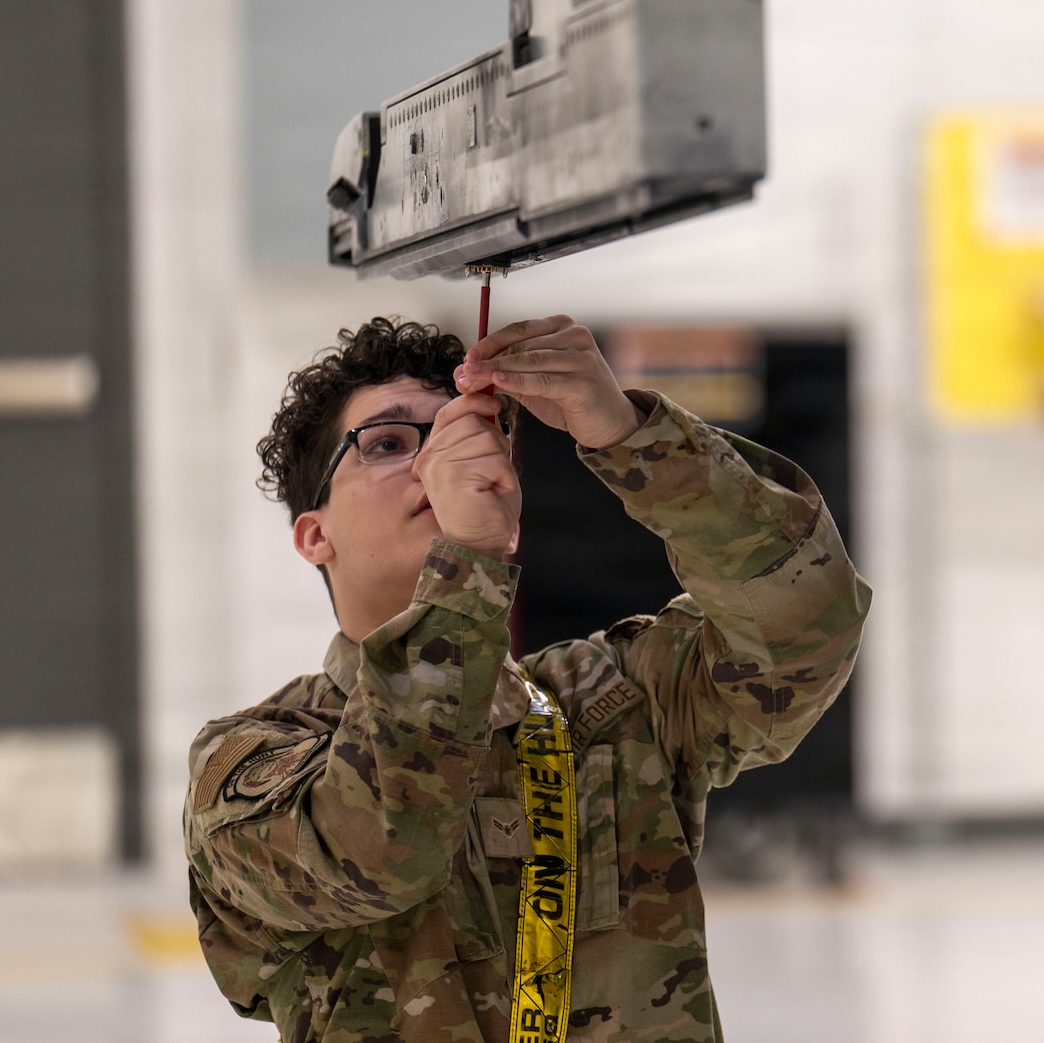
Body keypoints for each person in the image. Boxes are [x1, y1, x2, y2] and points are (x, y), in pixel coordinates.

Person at [183, 314, 868, 1043]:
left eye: (459, 432)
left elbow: (804, 626)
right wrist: (466, 558)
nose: (434, 463)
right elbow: (387, 839)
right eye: (386, 443)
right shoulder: (255, 761)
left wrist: (630, 435)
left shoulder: (605, 701)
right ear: (314, 534)